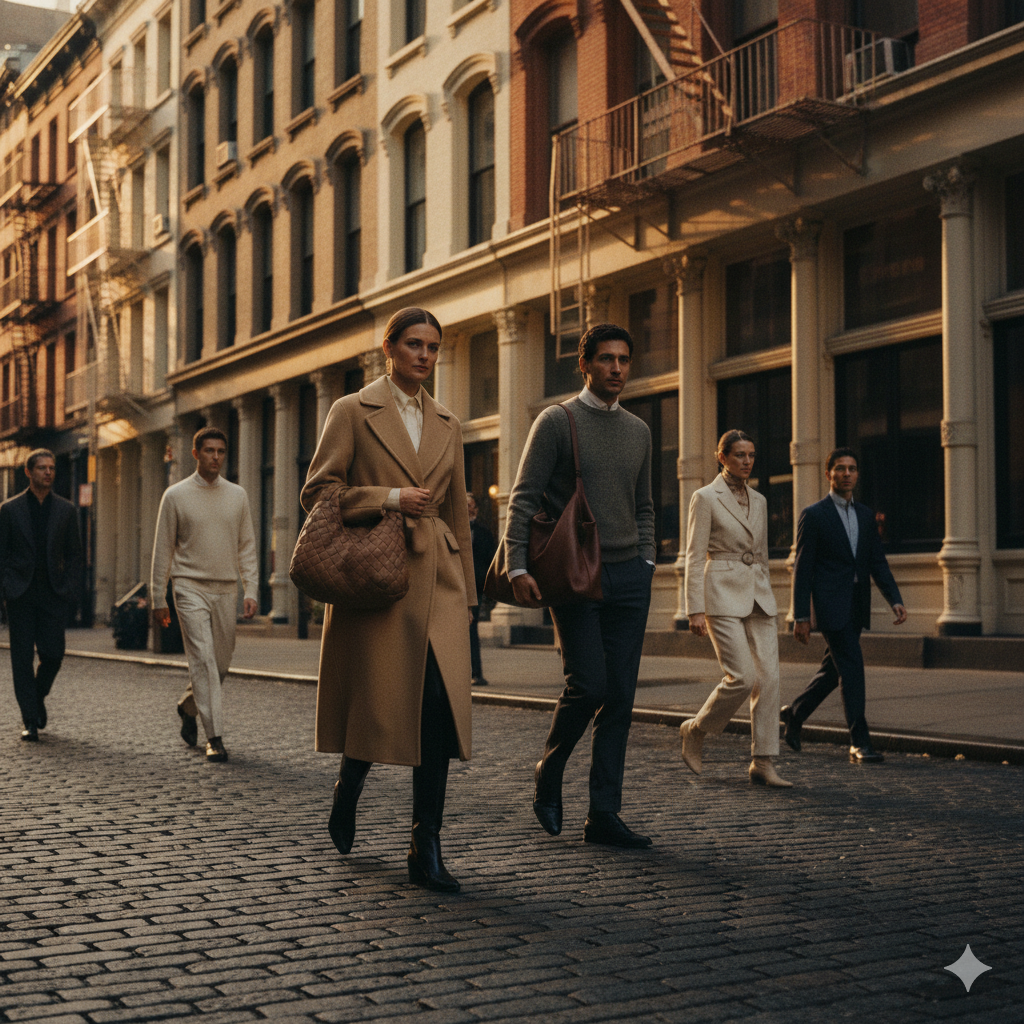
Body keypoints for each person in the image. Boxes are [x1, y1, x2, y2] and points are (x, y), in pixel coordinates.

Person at [302, 306, 476, 893]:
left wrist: (469, 595)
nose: (424, 356)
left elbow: (456, 512)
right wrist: (389, 497)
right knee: (381, 707)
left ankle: (424, 843)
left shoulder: (450, 421)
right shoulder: (350, 410)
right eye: (414, 345)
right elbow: (319, 493)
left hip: (440, 584)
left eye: (433, 347)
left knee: (435, 711)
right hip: (378, 581)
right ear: (389, 349)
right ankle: (348, 786)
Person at [507, 323, 656, 849]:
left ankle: (604, 814)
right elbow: (523, 499)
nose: (617, 368)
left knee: (619, 697)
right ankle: (550, 770)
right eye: (607, 359)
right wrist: (517, 566)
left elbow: (644, 505)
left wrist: (647, 560)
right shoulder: (556, 421)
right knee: (588, 685)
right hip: (575, 574)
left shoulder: (638, 429)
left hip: (628, 577)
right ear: (586, 363)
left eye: (624, 359)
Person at [680, 430, 791, 787]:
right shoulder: (705, 497)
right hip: (721, 592)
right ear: (722, 456)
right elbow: (695, 556)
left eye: (751, 455)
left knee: (770, 679)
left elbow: (762, 554)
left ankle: (763, 760)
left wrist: (771, 593)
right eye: (740, 454)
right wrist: (694, 608)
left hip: (759, 594)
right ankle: (696, 729)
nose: (747, 461)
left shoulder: (759, 499)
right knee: (743, 676)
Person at [784, 447, 907, 764]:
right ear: (829, 474)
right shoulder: (814, 515)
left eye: (852, 468)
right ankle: (859, 742)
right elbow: (803, 568)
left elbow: (876, 563)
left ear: (857, 474)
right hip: (830, 606)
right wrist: (800, 616)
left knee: (832, 670)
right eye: (840, 468)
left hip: (856, 605)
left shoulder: (866, 515)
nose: (847, 473)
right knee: (852, 667)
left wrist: (894, 599)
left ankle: (795, 714)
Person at [150, 427, 258, 763]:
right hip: (188, 587)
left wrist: (251, 588)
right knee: (204, 661)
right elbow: (162, 549)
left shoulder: (237, 495)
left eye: (221, 451)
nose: (215, 457)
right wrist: (158, 597)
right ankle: (215, 738)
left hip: (226, 588)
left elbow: (247, 546)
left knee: (221, 663)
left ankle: (188, 705)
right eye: (209, 451)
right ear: (196, 454)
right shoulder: (176, 495)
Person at [0, 449, 82, 741]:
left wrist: (70, 588)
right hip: (20, 594)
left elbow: (75, 554)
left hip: (52, 593)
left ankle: (36, 696)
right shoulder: (9, 510)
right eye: (42, 468)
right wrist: (5, 590)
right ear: (28, 472)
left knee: (54, 654)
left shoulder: (66, 510)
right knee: (21, 659)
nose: (48, 472)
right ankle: (29, 720)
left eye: (51, 468)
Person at [467, 492, 496, 687]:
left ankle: (476, 673)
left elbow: (490, 559)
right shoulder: (450, 527)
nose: (467, 507)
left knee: (471, 629)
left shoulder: (484, 532)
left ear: (476, 508)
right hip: (455, 585)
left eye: (469, 504)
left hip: (475, 587)